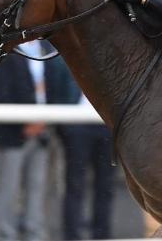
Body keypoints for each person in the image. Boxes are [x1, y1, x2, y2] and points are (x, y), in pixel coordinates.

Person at [0, 42, 50, 241]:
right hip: (13, 134)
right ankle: (5, 235)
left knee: (37, 189)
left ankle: (34, 233)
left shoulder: (47, 48)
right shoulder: (4, 51)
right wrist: (26, 122)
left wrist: (43, 121)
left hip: (43, 131)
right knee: (8, 189)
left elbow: (54, 84)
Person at [47, 56, 113, 240]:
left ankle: (101, 234)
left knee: (105, 185)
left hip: (105, 126)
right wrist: (65, 128)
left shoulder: (108, 56)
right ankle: (72, 235)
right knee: (75, 184)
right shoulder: (67, 57)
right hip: (77, 127)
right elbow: (56, 90)